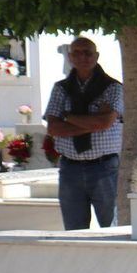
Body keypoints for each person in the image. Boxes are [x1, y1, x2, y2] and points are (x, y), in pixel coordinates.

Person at [42, 37, 123, 229]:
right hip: (70, 168)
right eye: (77, 52)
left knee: (111, 227)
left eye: (88, 52)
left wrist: (67, 116)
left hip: (104, 168)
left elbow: (105, 122)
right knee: (73, 229)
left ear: (96, 56)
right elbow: (53, 128)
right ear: (70, 57)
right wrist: (94, 122)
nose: (83, 57)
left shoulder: (112, 87)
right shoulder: (61, 88)